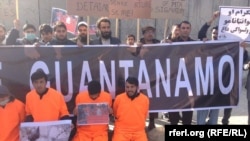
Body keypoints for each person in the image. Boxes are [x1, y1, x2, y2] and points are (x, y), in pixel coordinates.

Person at [168, 21, 195, 125]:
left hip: (188, 82)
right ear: (180, 29)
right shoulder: (171, 42)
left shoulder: (194, 44)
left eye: (187, 28)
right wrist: (164, 44)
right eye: (183, 28)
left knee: (187, 114)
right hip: (174, 82)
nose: (185, 30)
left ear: (190, 29)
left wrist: (204, 42)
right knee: (174, 116)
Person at [196, 11, 220, 125]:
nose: (215, 35)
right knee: (201, 116)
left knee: (214, 117)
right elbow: (201, 34)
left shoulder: (226, 46)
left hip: (218, 85)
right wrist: (212, 18)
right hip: (204, 85)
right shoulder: (206, 43)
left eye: (217, 34)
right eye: (214, 33)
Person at [112, 76, 149, 141]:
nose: (129, 89)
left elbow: (145, 115)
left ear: (137, 87)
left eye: (132, 87)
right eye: (127, 87)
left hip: (139, 132)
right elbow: (115, 113)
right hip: (121, 131)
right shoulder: (119, 98)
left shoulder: (145, 99)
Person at [139, 26, 160, 130]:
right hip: (142, 76)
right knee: (142, 100)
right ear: (143, 34)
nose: (150, 34)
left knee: (154, 100)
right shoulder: (139, 44)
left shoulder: (159, 44)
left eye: (152, 32)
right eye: (147, 32)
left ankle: (152, 121)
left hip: (155, 76)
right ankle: (141, 121)